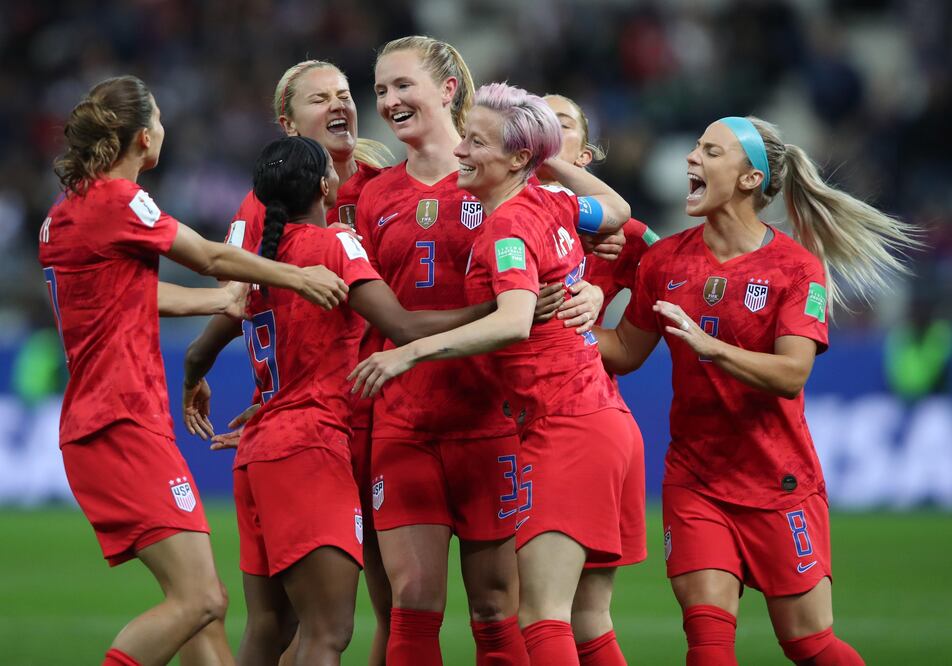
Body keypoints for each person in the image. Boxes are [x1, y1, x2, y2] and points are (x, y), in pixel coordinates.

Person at [38, 76, 348, 666]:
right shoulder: (119, 200)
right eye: (157, 117)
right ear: (141, 136)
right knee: (201, 599)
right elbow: (206, 255)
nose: (164, 128)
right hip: (121, 420)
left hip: (103, 422)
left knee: (204, 615)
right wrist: (294, 276)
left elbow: (132, 297)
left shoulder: (66, 214)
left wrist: (223, 302)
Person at [595, 116, 918, 665]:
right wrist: (552, 319)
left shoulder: (796, 268)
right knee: (708, 638)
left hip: (780, 480)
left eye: (710, 151)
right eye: (694, 147)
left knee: (809, 644)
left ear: (749, 179)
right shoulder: (664, 260)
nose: (691, 158)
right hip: (696, 479)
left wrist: (708, 345)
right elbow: (625, 350)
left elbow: (792, 373)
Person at [350, 82, 643, 666]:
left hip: (566, 424)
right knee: (581, 618)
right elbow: (617, 209)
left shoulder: (508, 225)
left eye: (476, 142)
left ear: (515, 159)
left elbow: (513, 321)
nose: (460, 151)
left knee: (544, 617)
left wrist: (406, 353)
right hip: (593, 418)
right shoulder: (556, 204)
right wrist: (540, 156)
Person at [184, 59, 395, 666]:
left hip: (362, 420)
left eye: (345, 94)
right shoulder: (270, 207)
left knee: (386, 605)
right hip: (324, 427)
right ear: (286, 122)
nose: (340, 105)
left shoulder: (386, 175)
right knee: (329, 623)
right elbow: (239, 294)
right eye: (319, 99)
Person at [542, 94, 659, 324]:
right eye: (537, 122)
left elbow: (676, 275)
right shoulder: (487, 207)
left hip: (575, 357)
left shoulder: (619, 232)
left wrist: (597, 297)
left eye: (562, 124)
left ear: (584, 156)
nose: (546, 131)